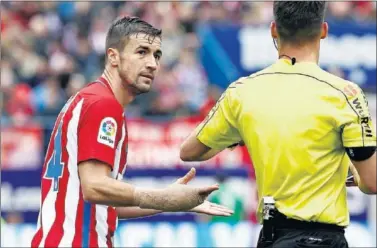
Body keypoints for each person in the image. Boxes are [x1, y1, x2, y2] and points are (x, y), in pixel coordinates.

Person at [180, 2, 376, 248]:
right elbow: (372, 182)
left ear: (274, 30)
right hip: (323, 239)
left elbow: (188, 151)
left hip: (272, 237)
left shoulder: (242, 92)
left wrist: (240, 134)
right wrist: (348, 173)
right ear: (323, 30)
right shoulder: (346, 93)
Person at [31, 16, 233, 248]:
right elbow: (94, 186)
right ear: (113, 56)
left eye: (156, 55)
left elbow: (105, 205)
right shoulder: (102, 105)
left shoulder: (90, 99)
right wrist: (162, 197)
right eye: (141, 52)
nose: (152, 64)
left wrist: (170, 202)